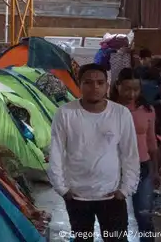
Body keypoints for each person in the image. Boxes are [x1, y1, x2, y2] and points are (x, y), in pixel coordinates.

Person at [48, 63, 140, 242]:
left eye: (100, 82)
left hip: (112, 195)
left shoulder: (120, 113)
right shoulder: (66, 113)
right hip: (76, 196)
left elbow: (130, 154)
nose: (95, 87)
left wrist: (125, 189)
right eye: (88, 82)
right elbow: (56, 152)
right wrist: (62, 189)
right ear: (79, 85)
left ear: (107, 85)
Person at [113, 68, 161, 242]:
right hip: (114, 170)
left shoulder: (147, 110)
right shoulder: (108, 109)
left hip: (143, 167)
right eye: (126, 88)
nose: (131, 94)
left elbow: (152, 143)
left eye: (136, 89)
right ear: (117, 86)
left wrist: (155, 170)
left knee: (144, 215)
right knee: (117, 219)